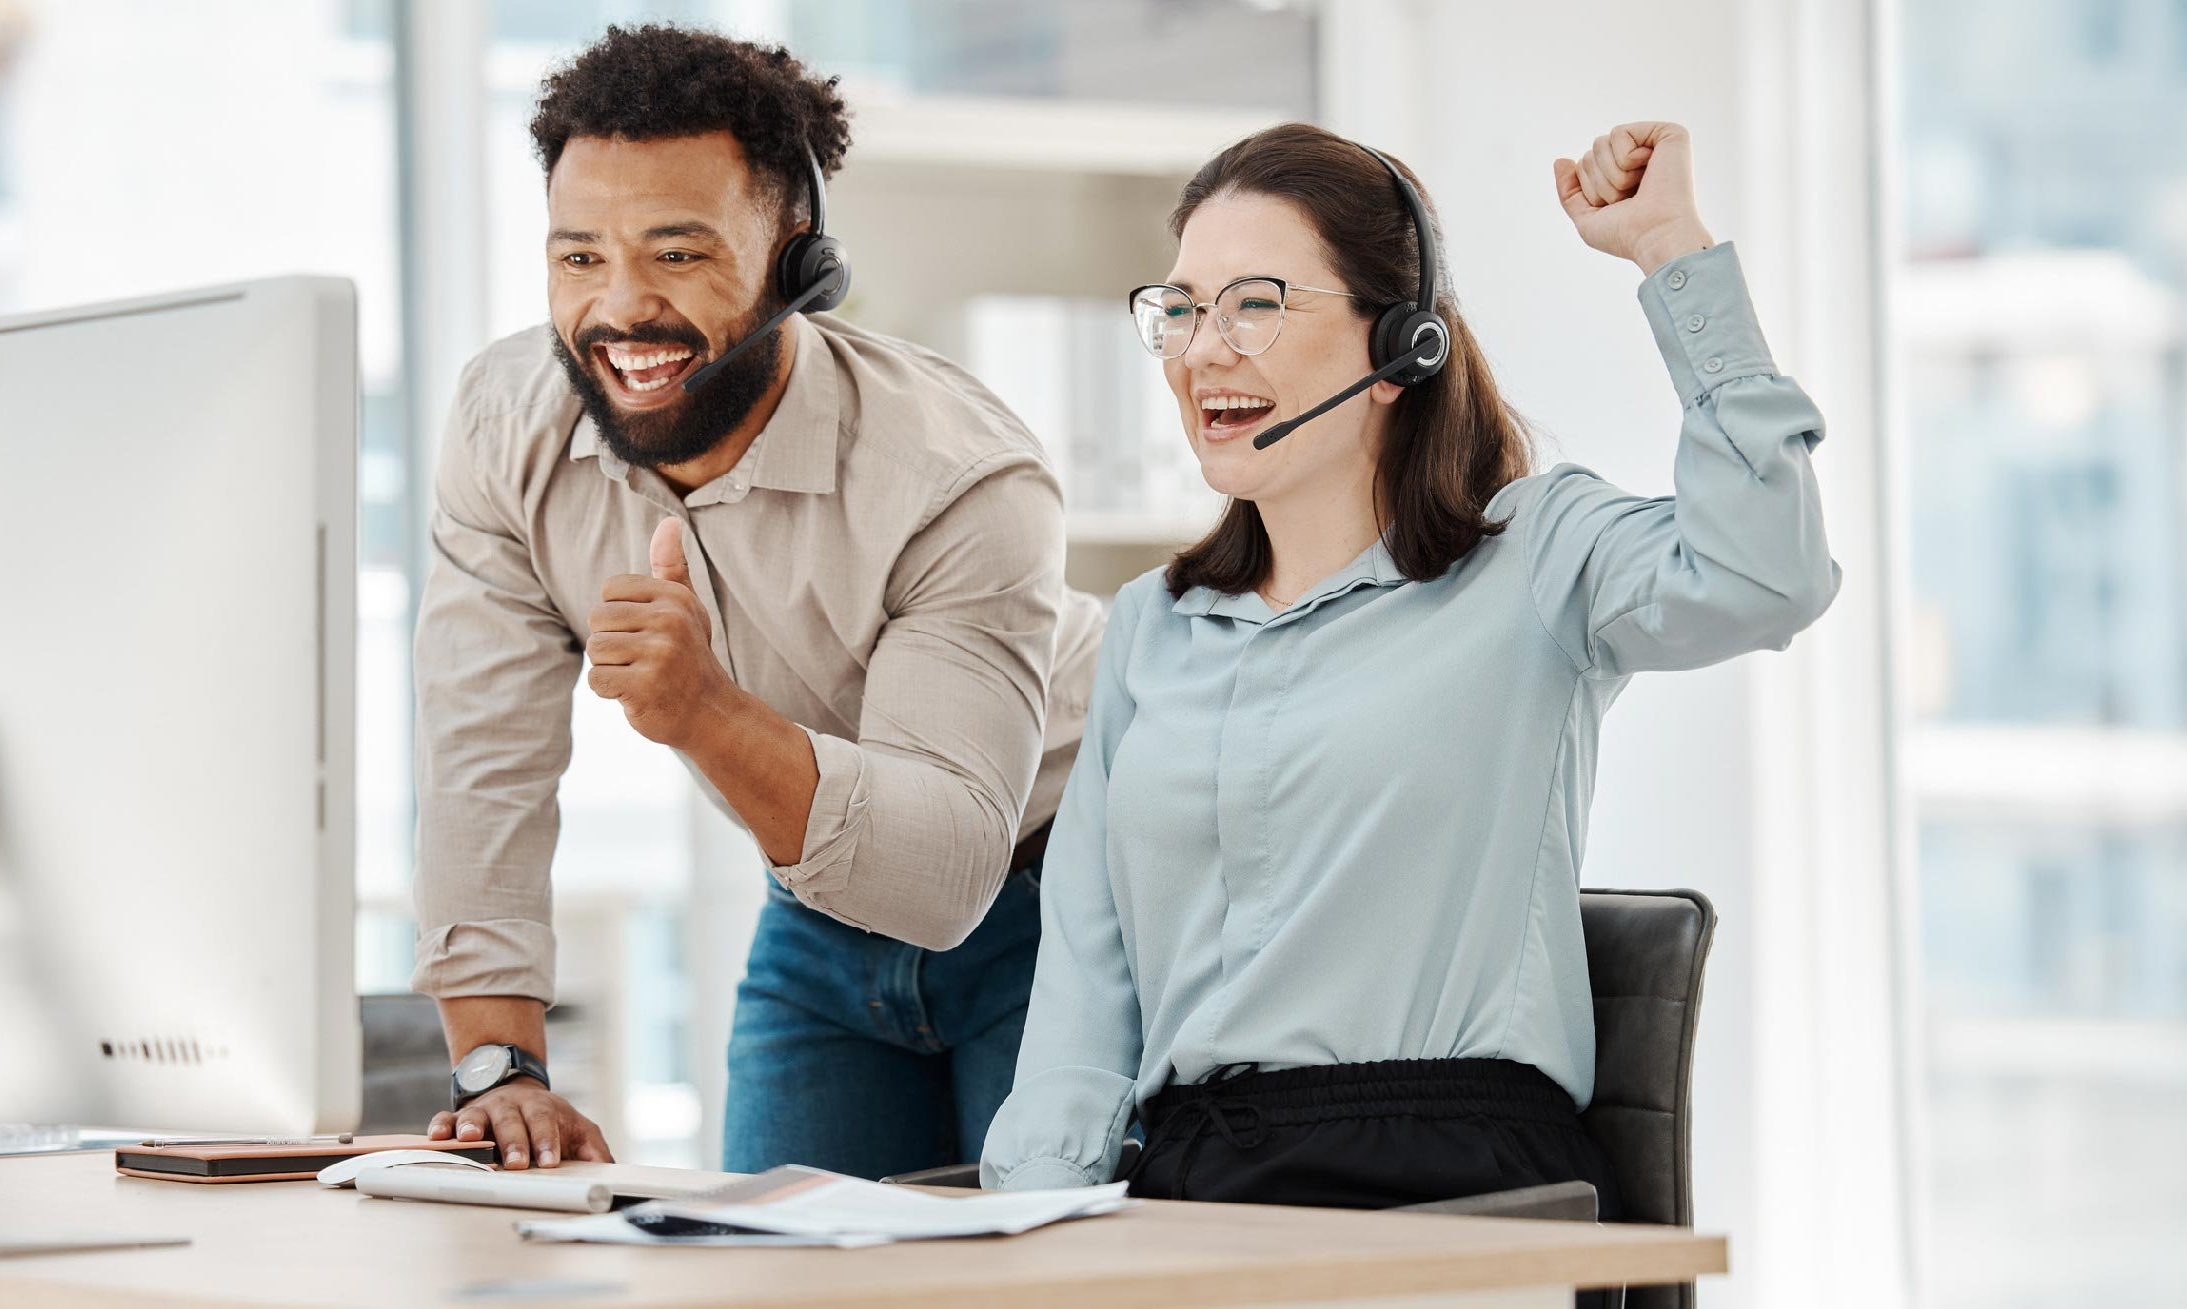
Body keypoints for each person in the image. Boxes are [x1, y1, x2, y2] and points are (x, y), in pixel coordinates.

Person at [980, 121, 1838, 1213]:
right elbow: (1084, 989)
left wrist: (1672, 253)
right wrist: (1034, 1222)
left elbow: (1770, 574)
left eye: (1254, 304)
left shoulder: (1535, 555)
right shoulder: (1156, 624)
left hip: (1450, 1190)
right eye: (1183, 309)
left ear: (1399, 350)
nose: (1201, 351)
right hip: (1198, 1192)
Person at [412, 24, 1103, 1180]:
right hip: (818, 904)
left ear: (798, 261)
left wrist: (702, 712)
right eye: (578, 258)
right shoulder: (505, 426)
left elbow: (942, 877)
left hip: (1065, 891)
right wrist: (501, 1071)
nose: (620, 309)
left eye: (676, 256)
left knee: (1033, 1274)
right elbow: (482, 760)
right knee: (769, 1273)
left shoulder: (958, 473)